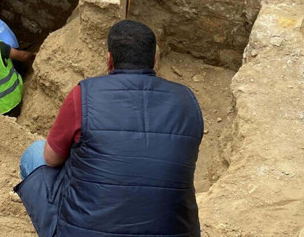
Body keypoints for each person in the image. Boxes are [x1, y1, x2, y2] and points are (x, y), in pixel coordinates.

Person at [15, 20, 204, 237]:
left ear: (109, 60)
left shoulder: (83, 95)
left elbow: (50, 159)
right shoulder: (187, 101)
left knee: (35, 153)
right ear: (155, 60)